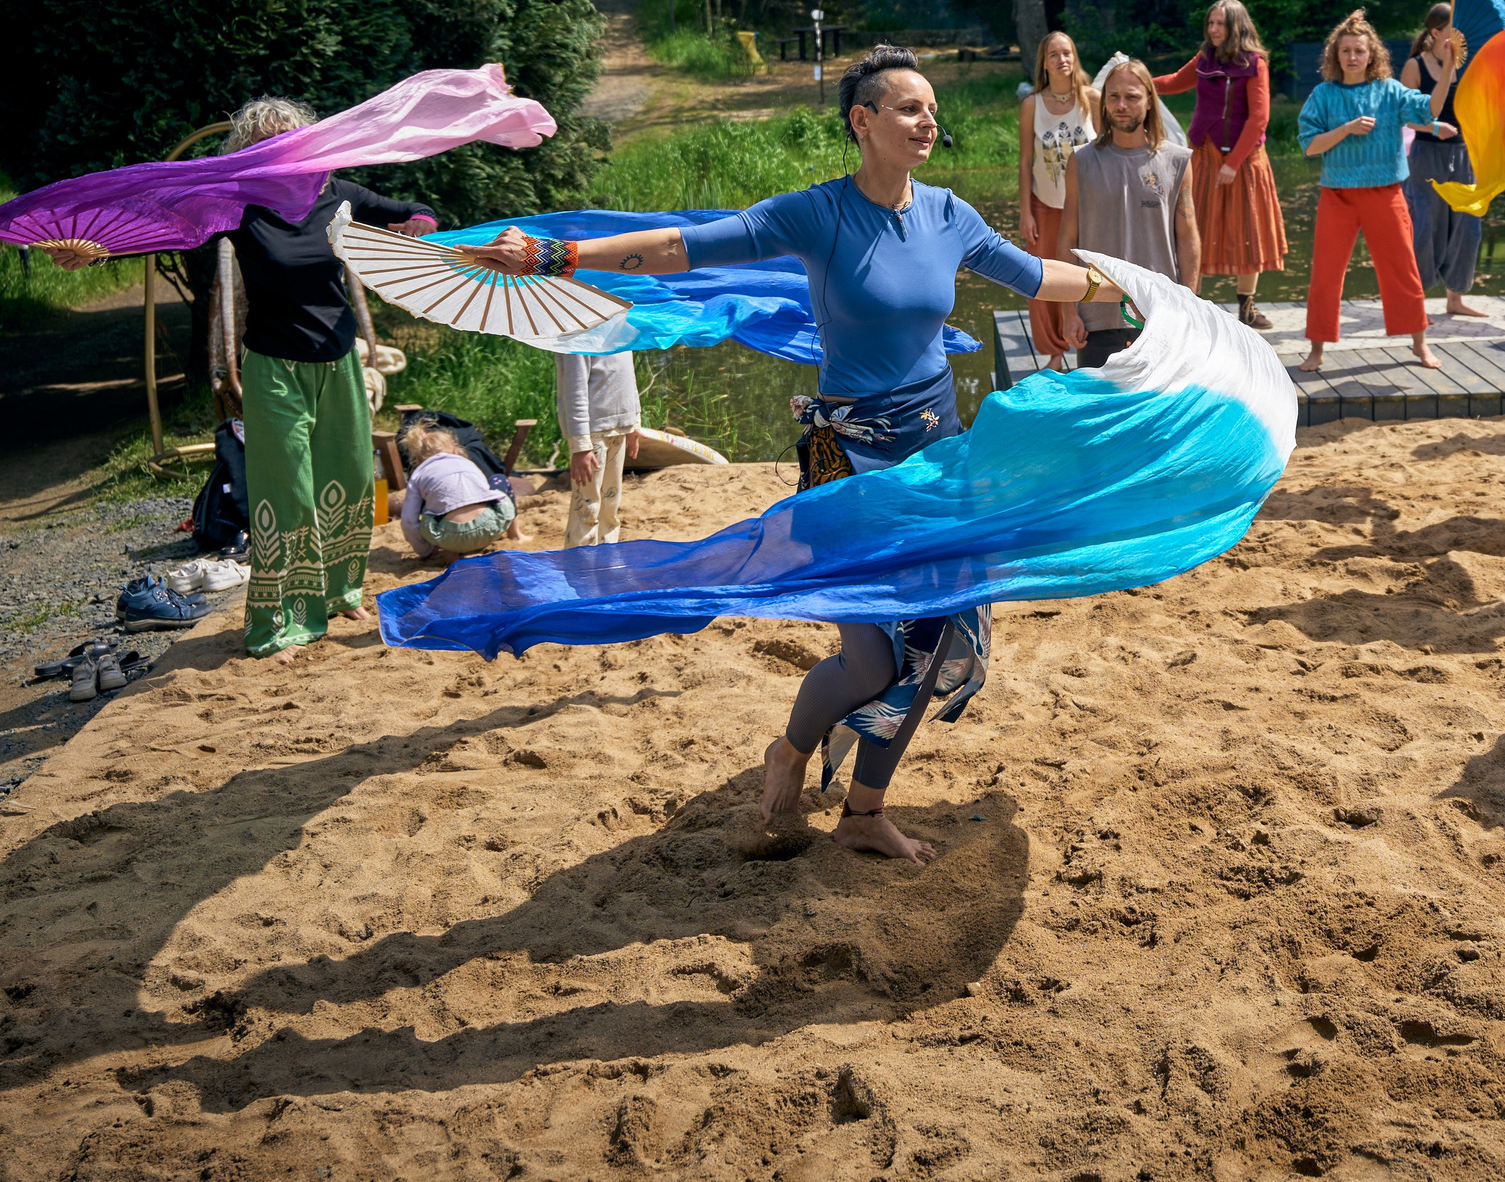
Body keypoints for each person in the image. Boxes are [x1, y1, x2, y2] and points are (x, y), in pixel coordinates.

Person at [458, 46, 1125, 864]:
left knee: (940, 638)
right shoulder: (819, 214)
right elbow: (687, 246)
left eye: (932, 110)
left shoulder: (949, 214)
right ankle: (793, 748)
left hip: (933, 458)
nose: (929, 122)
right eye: (910, 109)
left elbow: (1035, 276)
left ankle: (865, 812)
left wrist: (1127, 288)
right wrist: (554, 256)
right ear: (863, 122)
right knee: (870, 658)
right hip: (846, 460)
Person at [208, 98, 438, 661]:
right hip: (274, 370)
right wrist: (89, 251)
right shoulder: (237, 205)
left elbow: (416, 208)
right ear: (249, 152)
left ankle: (340, 592)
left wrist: (417, 226)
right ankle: (277, 621)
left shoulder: (337, 194)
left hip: (339, 365)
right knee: (286, 494)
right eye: (271, 141)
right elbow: (162, 223)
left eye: (296, 138)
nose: (288, 149)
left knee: (352, 479)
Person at [1296, 9, 1456, 373]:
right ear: (1336, 55)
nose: (1353, 57)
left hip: (1385, 194)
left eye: (1360, 51)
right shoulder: (1323, 95)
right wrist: (1345, 129)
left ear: (1373, 55)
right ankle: (1317, 350)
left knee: (1402, 269)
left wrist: (1447, 67)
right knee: (1325, 274)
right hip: (1337, 196)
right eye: (1346, 50)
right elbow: (1309, 146)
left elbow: (1430, 108)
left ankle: (1419, 344)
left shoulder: (1389, 91)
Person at [1154, 0, 1285, 330]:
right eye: (1210, 23)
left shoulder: (1256, 64)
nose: (1213, 30)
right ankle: (1192, 303)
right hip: (1205, 155)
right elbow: (1172, 83)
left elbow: (1259, 119)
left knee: (1248, 231)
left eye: (1220, 24)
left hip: (1245, 160)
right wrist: (1135, 80)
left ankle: (1247, 307)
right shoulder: (1204, 59)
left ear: (1236, 27)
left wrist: (1234, 163)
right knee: (1196, 227)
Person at [1059, 56, 1199, 367]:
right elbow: (1068, 236)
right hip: (1096, 316)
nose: (1122, 104)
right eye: (1114, 96)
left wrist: (1188, 306)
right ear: (1104, 101)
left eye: (1132, 96)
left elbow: (1189, 238)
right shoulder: (1081, 161)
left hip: (1159, 315)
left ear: (1150, 101)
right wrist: (1068, 311)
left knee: (1160, 413)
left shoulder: (1177, 162)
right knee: (1098, 413)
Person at [1399, 3, 1486, 318]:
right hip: (1426, 154)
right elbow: (1408, 118)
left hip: (1463, 155)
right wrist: (1434, 127)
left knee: (1469, 228)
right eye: (1453, 28)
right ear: (1436, 32)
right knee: (1426, 228)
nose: (1459, 35)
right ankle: (1416, 303)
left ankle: (1455, 298)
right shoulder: (1415, 66)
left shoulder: (1469, 65)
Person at [1016, 31, 1096, 371]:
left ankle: (1095, 344)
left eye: (1067, 53)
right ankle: (1053, 353)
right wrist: (1025, 212)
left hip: (1089, 207)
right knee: (1045, 277)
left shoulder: (1093, 98)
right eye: (1054, 54)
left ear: (1074, 57)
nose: (1062, 59)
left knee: (1090, 274)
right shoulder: (1032, 104)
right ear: (1044, 63)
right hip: (1045, 205)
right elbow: (1024, 161)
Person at [554, 350, 642, 548]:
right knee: (586, 509)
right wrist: (581, 446)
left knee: (610, 508)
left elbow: (629, 377)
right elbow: (573, 390)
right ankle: (580, 569)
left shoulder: (620, 328)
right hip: (592, 433)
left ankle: (606, 561)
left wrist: (634, 422)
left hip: (620, 427)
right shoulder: (579, 335)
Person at [398, 424, 523, 559]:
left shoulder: (419, 474)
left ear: (418, 459)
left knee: (431, 506)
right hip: (491, 528)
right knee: (499, 480)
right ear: (456, 450)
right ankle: (515, 535)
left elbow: (408, 521)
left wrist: (425, 550)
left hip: (449, 538)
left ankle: (450, 553)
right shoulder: (468, 463)